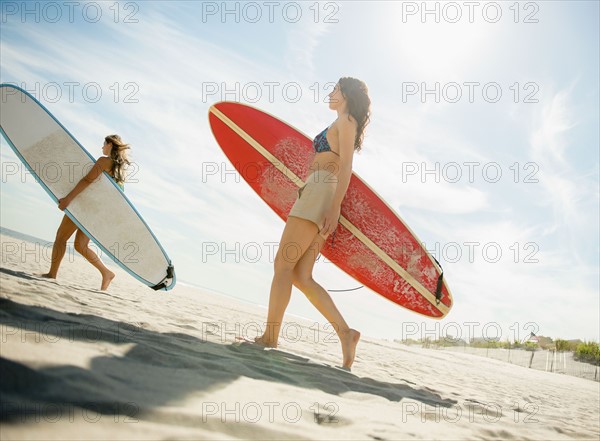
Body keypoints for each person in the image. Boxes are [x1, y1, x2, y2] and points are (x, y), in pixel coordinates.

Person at [255, 77, 371, 369]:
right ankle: (346, 333)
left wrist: (334, 206)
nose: (330, 94)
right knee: (301, 276)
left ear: (345, 94)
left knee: (282, 266)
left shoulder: (346, 120)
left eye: (334, 89)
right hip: (318, 191)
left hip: (321, 192)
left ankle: (270, 337)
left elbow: (346, 166)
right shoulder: (343, 121)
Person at [42, 134, 131, 291]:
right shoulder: (120, 172)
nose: (102, 146)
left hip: (85, 206)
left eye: (104, 143)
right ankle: (106, 272)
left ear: (110, 144)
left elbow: (87, 180)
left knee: (61, 237)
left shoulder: (104, 161)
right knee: (80, 245)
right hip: (98, 213)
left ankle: (52, 274)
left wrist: (68, 199)